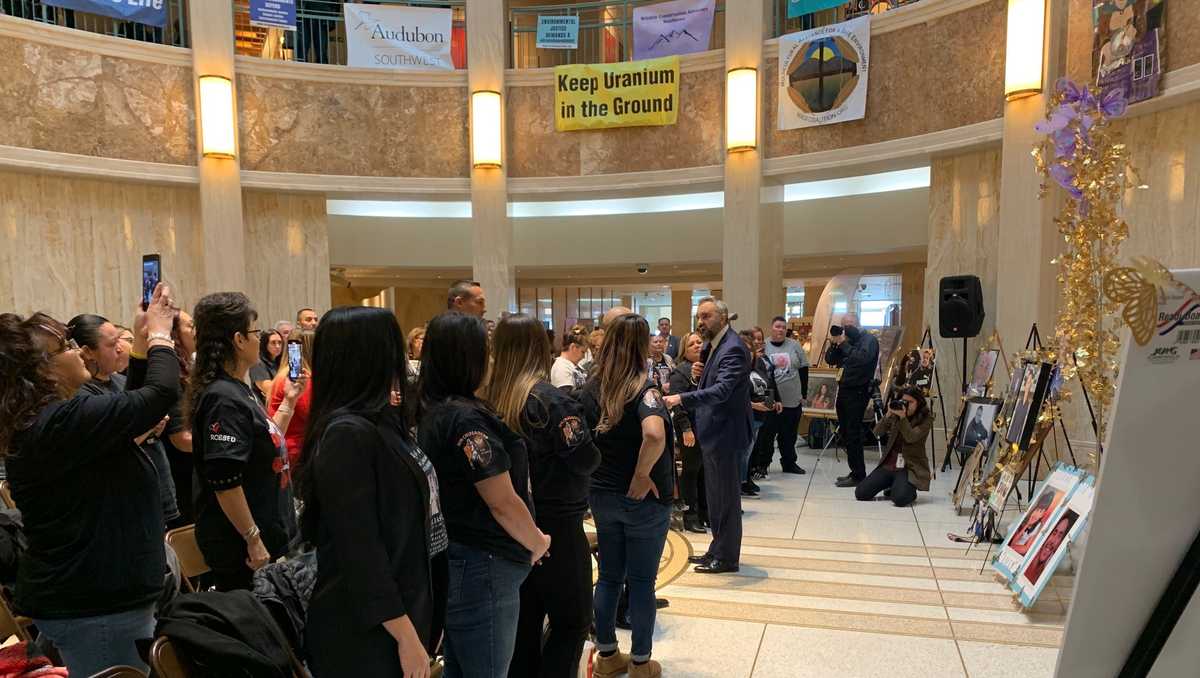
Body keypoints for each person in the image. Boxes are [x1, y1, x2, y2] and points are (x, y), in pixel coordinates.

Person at [0, 285, 179, 676]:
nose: (78, 350)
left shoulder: (60, 415)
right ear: (42, 368)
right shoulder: (56, 422)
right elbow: (160, 393)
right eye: (66, 345)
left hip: (100, 597)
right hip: (96, 605)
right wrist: (161, 335)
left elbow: (127, 413)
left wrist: (139, 347)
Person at [299, 307, 446, 678]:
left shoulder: (380, 422)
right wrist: (404, 633)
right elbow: (360, 549)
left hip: (398, 614)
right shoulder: (346, 434)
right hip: (364, 630)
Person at [417, 312, 549, 678]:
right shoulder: (466, 420)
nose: (491, 361)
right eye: (485, 352)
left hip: (459, 555)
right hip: (483, 561)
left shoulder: (434, 410)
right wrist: (536, 541)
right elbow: (501, 500)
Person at [485, 314, 600, 678]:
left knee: (524, 623)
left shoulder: (488, 400)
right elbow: (586, 458)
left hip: (508, 526)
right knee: (573, 620)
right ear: (540, 347)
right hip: (557, 526)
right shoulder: (549, 400)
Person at [187, 292, 302, 592]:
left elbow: (266, 439)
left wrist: (289, 403)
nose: (258, 339)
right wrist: (253, 538)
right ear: (238, 340)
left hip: (263, 535)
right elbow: (226, 481)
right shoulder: (222, 398)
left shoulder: (241, 388)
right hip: (241, 549)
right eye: (254, 332)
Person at [579, 313, 672, 678]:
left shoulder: (590, 387)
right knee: (642, 583)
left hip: (601, 496)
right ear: (641, 344)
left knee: (609, 578)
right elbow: (654, 434)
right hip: (641, 501)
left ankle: (607, 657)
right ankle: (640, 663)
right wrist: (642, 474)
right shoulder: (644, 387)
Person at [664, 297, 751, 576]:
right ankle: (717, 549)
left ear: (723, 318)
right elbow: (713, 384)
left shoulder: (733, 348)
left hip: (726, 434)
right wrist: (699, 376)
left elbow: (722, 392)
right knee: (715, 497)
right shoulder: (716, 346)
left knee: (725, 499)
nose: (701, 322)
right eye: (699, 317)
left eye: (707, 316)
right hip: (714, 433)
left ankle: (727, 557)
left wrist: (680, 398)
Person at [70, 313, 178, 524]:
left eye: (121, 340)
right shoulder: (82, 396)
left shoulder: (121, 380)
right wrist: (149, 424)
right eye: (112, 344)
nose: (120, 348)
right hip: (121, 498)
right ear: (87, 352)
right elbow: (112, 446)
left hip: (156, 482)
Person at [825, 313, 879, 488]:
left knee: (853, 433)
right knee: (846, 433)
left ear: (858, 323)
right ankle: (854, 470)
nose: (846, 328)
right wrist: (834, 344)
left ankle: (858, 475)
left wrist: (843, 343)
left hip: (859, 391)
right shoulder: (845, 340)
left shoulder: (868, 340)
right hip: (844, 389)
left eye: (850, 325)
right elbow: (830, 360)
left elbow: (861, 360)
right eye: (844, 325)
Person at [855, 386, 932, 507]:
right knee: (861, 493)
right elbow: (877, 432)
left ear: (919, 402)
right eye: (904, 401)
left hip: (908, 467)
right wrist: (888, 414)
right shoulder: (896, 414)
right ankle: (894, 484)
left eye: (910, 402)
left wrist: (903, 418)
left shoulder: (925, 419)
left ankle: (907, 490)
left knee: (900, 499)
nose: (906, 405)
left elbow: (911, 437)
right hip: (889, 464)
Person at [760, 316, 809, 476]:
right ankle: (762, 465)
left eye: (783, 327)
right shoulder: (764, 345)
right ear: (772, 328)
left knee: (789, 434)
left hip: (792, 397)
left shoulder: (794, 345)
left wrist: (804, 393)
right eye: (777, 326)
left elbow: (803, 369)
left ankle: (789, 462)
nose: (780, 330)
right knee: (767, 434)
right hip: (770, 399)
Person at [668, 332, 705, 533]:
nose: (697, 346)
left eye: (700, 342)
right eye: (692, 344)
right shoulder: (680, 372)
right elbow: (677, 403)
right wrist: (686, 428)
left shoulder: (707, 368)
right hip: (689, 428)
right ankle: (690, 516)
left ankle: (704, 513)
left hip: (707, 428)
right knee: (691, 472)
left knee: (704, 472)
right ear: (685, 349)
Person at [741, 328, 781, 497]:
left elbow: (767, 385)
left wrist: (771, 400)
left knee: (751, 452)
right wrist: (753, 405)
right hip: (744, 417)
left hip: (759, 417)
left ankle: (746, 479)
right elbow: (734, 397)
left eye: (751, 349)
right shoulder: (736, 369)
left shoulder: (759, 365)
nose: (750, 351)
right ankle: (740, 483)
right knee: (743, 454)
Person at [268, 329, 315, 467]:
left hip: (287, 448)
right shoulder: (300, 379)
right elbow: (311, 415)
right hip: (296, 452)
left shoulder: (284, 374)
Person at [1022, 513, 1076, 585]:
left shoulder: (1042, 576)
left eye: (1060, 536)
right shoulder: (1025, 554)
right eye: (1054, 532)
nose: (1053, 541)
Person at [1008, 490, 1057, 556]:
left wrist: (1012, 547)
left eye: (1041, 511)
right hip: (1014, 547)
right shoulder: (1026, 520)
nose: (1036, 514)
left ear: (1043, 514)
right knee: (1011, 526)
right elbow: (1013, 541)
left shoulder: (1038, 526)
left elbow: (1025, 549)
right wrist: (1027, 524)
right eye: (1037, 509)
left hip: (1018, 552)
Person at [250, 328, 283, 400]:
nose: (277, 346)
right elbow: (270, 390)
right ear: (265, 344)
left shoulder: (280, 361)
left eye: (280, 343)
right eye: (273, 342)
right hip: (265, 407)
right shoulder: (257, 363)